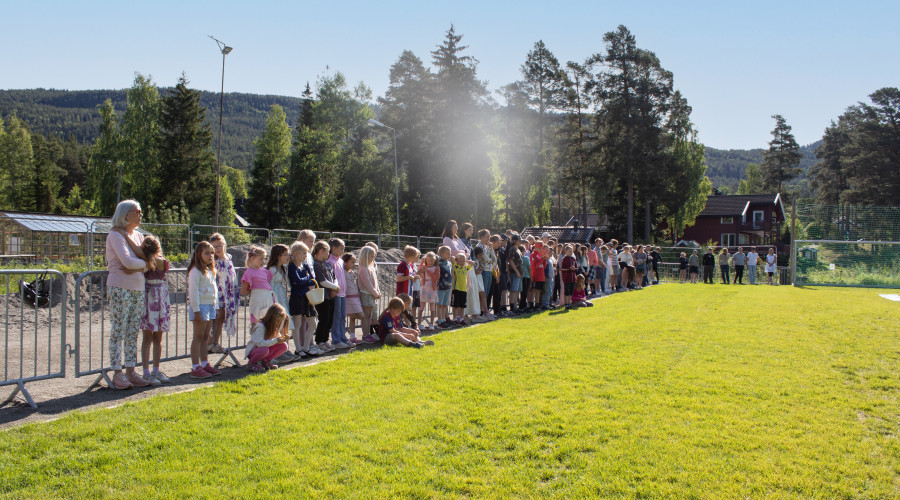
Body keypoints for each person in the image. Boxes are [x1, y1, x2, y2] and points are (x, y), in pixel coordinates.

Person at [105, 200, 151, 389]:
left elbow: (152, 260)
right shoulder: (115, 235)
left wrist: (143, 265)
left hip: (137, 287)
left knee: (132, 331)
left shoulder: (139, 236)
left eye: (140, 211)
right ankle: (118, 372)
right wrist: (145, 265)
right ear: (125, 214)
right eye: (137, 211)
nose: (140, 214)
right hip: (120, 287)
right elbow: (128, 262)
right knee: (118, 329)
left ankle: (131, 371)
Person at [138, 236, 171, 385]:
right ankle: (151, 371)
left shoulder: (149, 261)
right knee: (155, 338)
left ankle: (151, 371)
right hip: (156, 298)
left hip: (152, 298)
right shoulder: (152, 261)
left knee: (150, 338)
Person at [187, 241, 221, 379]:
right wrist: (196, 311)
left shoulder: (210, 271)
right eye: (207, 253)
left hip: (210, 306)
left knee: (206, 337)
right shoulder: (195, 271)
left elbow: (214, 290)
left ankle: (205, 363)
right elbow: (193, 292)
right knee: (198, 337)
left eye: (212, 253)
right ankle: (196, 367)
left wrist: (216, 307)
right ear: (198, 254)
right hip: (200, 307)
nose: (210, 256)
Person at [207, 233, 238, 355]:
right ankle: (210, 343)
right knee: (215, 317)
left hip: (228, 293)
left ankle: (216, 342)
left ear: (224, 245)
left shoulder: (229, 257)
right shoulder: (212, 261)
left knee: (221, 318)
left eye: (220, 245)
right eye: (214, 247)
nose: (218, 249)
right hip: (217, 293)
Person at [266, 244, 297, 363]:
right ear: (278, 256)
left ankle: (285, 348)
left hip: (281, 295)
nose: (288, 256)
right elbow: (269, 285)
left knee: (285, 321)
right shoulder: (272, 269)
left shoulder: (282, 268)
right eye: (285, 254)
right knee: (277, 321)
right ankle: (278, 350)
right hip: (275, 295)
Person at [288, 241, 319, 355]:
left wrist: (306, 279)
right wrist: (307, 279)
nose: (306, 256)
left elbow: (312, 279)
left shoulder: (305, 266)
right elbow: (298, 281)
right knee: (297, 324)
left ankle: (306, 347)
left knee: (313, 323)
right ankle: (298, 348)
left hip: (307, 297)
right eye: (304, 253)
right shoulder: (292, 267)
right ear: (295, 254)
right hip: (297, 297)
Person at [245, 304, 291, 373]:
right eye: (277, 321)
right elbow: (260, 343)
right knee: (264, 349)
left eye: (280, 321)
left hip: (264, 349)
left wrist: (283, 338)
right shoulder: (260, 327)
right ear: (271, 317)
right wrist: (276, 340)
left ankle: (265, 361)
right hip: (255, 351)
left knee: (283, 346)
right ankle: (251, 363)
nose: (278, 323)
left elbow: (277, 338)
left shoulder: (273, 326)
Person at [312, 240, 341, 352]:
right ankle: (320, 341)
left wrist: (335, 288)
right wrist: (335, 287)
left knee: (330, 319)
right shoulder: (316, 264)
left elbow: (334, 278)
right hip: (322, 297)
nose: (329, 253)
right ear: (321, 251)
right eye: (327, 251)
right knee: (323, 319)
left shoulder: (327, 264)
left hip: (330, 296)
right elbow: (322, 281)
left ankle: (325, 340)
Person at [327, 238, 353, 349]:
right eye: (341, 248)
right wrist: (333, 289)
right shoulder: (330, 262)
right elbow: (331, 277)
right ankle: (336, 339)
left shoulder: (340, 261)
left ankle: (342, 337)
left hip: (343, 292)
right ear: (334, 248)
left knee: (342, 316)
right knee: (336, 317)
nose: (343, 251)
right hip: (336, 293)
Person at [241, 245, 274, 324]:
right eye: (261, 259)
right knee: (257, 321)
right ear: (252, 259)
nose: (263, 262)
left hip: (267, 298)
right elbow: (243, 291)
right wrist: (256, 291)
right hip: (258, 299)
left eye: (264, 259)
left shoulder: (264, 271)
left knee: (268, 322)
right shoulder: (249, 272)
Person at [357, 245, 381, 343]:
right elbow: (367, 283)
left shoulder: (370, 267)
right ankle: (365, 335)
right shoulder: (363, 268)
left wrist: (377, 291)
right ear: (366, 256)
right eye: (371, 256)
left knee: (369, 316)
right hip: (366, 294)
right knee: (366, 316)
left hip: (371, 294)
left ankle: (368, 334)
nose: (373, 258)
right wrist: (375, 293)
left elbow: (375, 282)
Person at [341, 253, 365, 342]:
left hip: (355, 295)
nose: (354, 264)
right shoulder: (342, 272)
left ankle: (352, 337)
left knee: (353, 319)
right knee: (361, 315)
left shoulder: (351, 272)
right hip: (349, 296)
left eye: (354, 262)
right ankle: (347, 314)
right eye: (352, 262)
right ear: (345, 262)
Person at [419, 252, 440, 330]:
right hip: (424, 288)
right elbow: (419, 271)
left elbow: (435, 277)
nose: (430, 262)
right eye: (428, 260)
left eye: (432, 260)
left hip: (432, 288)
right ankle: (419, 324)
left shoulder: (436, 268)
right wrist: (421, 263)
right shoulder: (424, 267)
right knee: (421, 307)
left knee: (432, 308)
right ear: (426, 260)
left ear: (434, 260)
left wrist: (428, 271)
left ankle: (431, 323)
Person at [451, 253, 472, 324]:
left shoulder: (466, 268)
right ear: (457, 261)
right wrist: (456, 259)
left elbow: (473, 264)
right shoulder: (456, 267)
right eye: (460, 261)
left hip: (464, 290)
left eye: (463, 261)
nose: (462, 262)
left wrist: (466, 261)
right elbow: (452, 258)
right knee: (456, 305)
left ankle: (461, 319)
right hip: (456, 289)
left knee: (462, 306)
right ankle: (455, 318)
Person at [435, 245, 454, 328]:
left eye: (450, 253)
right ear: (441, 254)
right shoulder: (438, 263)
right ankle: (440, 321)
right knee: (440, 304)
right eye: (447, 253)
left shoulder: (449, 263)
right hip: (440, 286)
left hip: (447, 286)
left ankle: (443, 319)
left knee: (444, 304)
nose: (449, 255)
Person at [507, 235, 523, 313]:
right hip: (515, 273)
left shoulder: (518, 249)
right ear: (514, 241)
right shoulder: (512, 249)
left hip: (519, 273)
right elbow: (510, 261)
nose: (520, 241)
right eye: (519, 240)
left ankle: (515, 307)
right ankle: (512, 307)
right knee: (513, 290)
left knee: (517, 290)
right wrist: (516, 271)